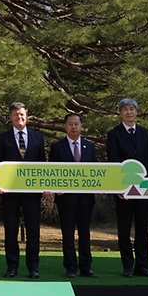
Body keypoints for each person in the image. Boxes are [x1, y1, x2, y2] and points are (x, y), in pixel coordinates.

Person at [106, 97, 148, 278]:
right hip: (124, 191)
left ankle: (142, 266)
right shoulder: (114, 134)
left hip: (144, 190)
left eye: (132, 109)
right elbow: (113, 162)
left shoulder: (146, 133)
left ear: (137, 112)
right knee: (124, 228)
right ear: (120, 113)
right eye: (125, 109)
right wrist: (118, 187)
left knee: (142, 229)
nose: (129, 112)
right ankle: (127, 266)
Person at [0, 101, 46, 279]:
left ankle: (33, 267)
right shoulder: (2, 138)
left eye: (22, 115)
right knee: (11, 231)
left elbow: (43, 165)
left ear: (27, 117)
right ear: (10, 117)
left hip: (32, 193)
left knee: (33, 231)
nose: (19, 117)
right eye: (16, 115)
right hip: (10, 194)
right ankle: (12, 267)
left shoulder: (38, 138)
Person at [49, 113, 97, 278]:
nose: (74, 126)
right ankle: (70, 267)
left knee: (85, 233)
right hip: (66, 199)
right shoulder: (57, 147)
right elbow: (52, 172)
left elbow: (96, 172)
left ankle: (86, 267)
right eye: (70, 124)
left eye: (76, 124)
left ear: (81, 126)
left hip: (85, 199)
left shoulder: (90, 147)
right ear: (65, 126)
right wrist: (55, 188)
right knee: (67, 234)